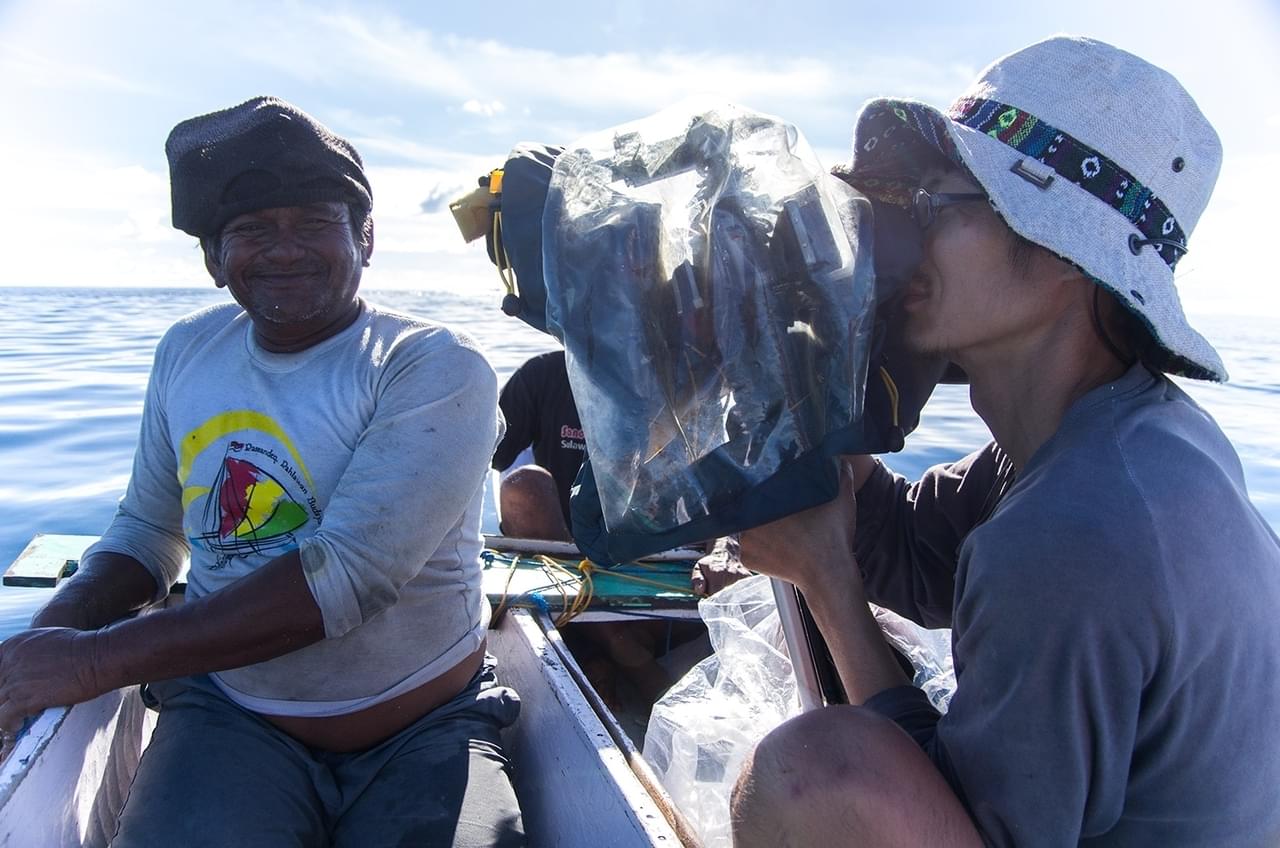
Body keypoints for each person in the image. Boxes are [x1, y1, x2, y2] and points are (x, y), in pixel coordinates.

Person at [732, 35, 1280, 846]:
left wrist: (827, 584)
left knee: (818, 770)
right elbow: (912, 554)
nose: (905, 240)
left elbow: (971, 832)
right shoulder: (1119, 439)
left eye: (940, 205)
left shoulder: (1077, 528)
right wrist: (808, 401)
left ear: (1066, 253)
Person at [0, 97, 525, 846]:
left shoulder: (435, 364)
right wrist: (40, 645)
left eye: (314, 221)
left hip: (426, 727)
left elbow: (349, 577)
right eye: (251, 230)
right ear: (215, 260)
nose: (284, 249)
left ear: (366, 239)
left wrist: (88, 663)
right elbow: (148, 534)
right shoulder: (186, 353)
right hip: (229, 719)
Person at [492, 349, 584, 542]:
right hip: (557, 539)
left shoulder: (657, 373)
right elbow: (494, 457)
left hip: (644, 535)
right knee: (525, 484)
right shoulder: (541, 374)